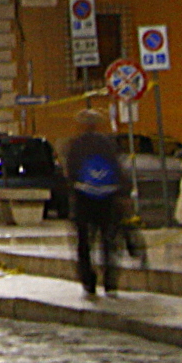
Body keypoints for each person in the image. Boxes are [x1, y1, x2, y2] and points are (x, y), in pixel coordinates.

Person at [65, 108, 133, 299]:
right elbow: (119, 170)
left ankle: (89, 282)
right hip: (108, 200)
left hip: (83, 200)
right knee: (109, 242)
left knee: (84, 243)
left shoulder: (75, 145)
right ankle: (110, 282)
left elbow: (70, 174)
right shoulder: (107, 143)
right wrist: (123, 195)